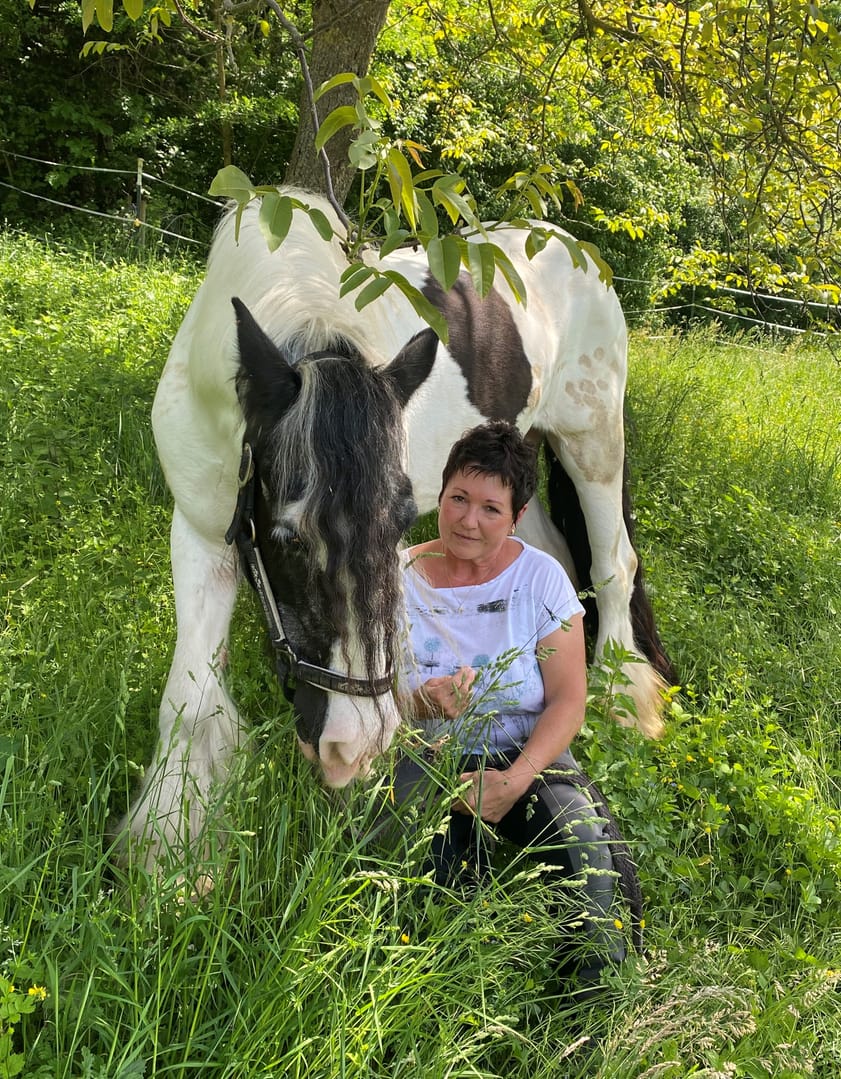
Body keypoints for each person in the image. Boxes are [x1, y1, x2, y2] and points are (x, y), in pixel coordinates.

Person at [394, 420, 626, 989]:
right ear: (440, 495)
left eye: (491, 509)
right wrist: (421, 701)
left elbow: (570, 700)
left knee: (587, 860)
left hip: (527, 750)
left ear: (518, 516)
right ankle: (448, 1004)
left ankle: (586, 1007)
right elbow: (377, 700)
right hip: (428, 754)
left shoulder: (539, 579)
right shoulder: (396, 579)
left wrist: (516, 779)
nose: (468, 521)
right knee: (432, 894)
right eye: (458, 499)